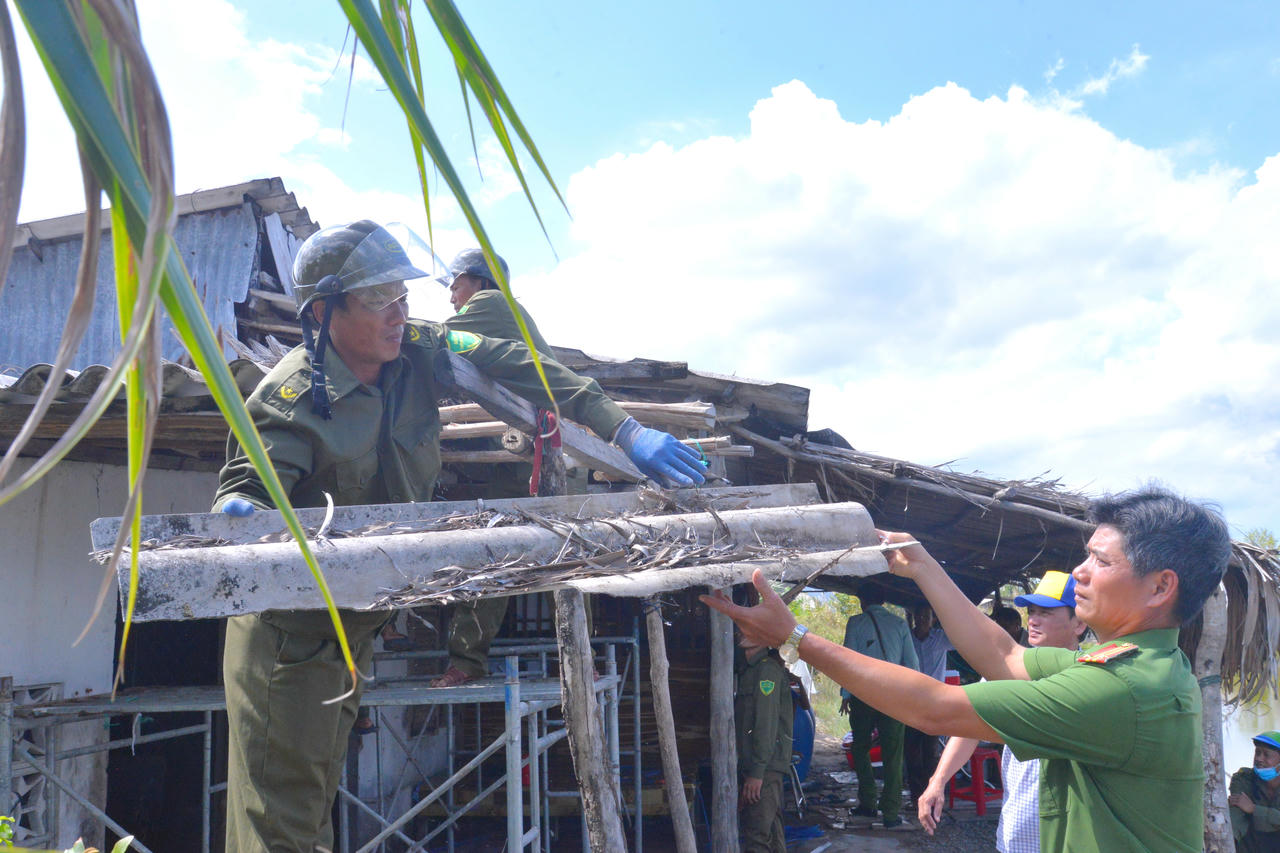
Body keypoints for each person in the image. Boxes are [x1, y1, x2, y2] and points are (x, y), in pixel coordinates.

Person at [214, 220, 705, 852]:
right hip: (289, 643)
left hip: (350, 638)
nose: (399, 312)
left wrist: (626, 430)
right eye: (377, 300)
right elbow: (246, 492)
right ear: (323, 311)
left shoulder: (418, 350)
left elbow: (526, 366)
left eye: (403, 296)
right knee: (279, 827)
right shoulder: (288, 400)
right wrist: (240, 509)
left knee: (312, 814)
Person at [702, 485, 1232, 853]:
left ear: (1161, 587)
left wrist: (794, 637)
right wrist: (924, 566)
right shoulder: (1141, 666)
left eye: (1102, 561)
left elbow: (935, 709)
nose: (1081, 571)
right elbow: (1002, 655)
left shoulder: (1123, 689)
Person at [430, 248, 558, 688]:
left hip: (526, 459)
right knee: (555, 557)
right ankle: (580, 658)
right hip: (530, 457)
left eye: (456, 284)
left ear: (480, 281)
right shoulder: (510, 316)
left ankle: (466, 662)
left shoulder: (491, 304)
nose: (451, 295)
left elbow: (429, 342)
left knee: (494, 553)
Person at [917, 570, 1087, 852]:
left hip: (1069, 835)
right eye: (1031, 611)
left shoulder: (1092, 678)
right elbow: (969, 727)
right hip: (1015, 829)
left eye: (1046, 612)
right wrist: (938, 781)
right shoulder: (1004, 672)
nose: (1033, 619)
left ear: (1079, 623)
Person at [838, 584, 919, 830]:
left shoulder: (855, 623)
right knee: (893, 753)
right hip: (893, 695)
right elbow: (912, 665)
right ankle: (891, 813)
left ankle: (868, 801)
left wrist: (845, 694)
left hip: (863, 694)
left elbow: (847, 661)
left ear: (863, 601)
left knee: (860, 748)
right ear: (883, 601)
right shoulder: (900, 625)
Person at [736, 634, 795, 852]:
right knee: (771, 828)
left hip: (765, 767)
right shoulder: (749, 669)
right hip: (759, 766)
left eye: (749, 629)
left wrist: (757, 772)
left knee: (757, 834)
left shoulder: (766, 671)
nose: (742, 632)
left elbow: (766, 723)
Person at [903, 603, 952, 809]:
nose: (923, 620)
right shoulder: (907, 638)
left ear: (933, 619)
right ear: (914, 618)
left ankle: (931, 795)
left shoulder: (941, 638)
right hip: (911, 702)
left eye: (927, 616)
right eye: (919, 616)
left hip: (934, 704)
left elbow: (966, 638)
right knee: (912, 752)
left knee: (931, 752)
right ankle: (916, 797)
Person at [1228, 730, 1280, 852]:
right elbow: (1236, 816)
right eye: (1257, 753)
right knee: (1235, 808)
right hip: (1251, 845)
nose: (1259, 759)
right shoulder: (1243, 779)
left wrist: (1254, 809)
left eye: (1266, 755)